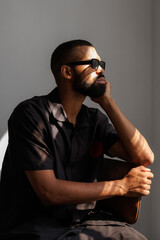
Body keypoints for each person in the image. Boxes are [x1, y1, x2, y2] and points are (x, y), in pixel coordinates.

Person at [0, 39, 154, 240]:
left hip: (85, 219)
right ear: (67, 72)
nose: (101, 71)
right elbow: (49, 192)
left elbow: (144, 156)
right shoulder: (30, 115)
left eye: (101, 64)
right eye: (93, 64)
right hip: (35, 223)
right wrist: (122, 186)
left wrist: (107, 103)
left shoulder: (94, 119)